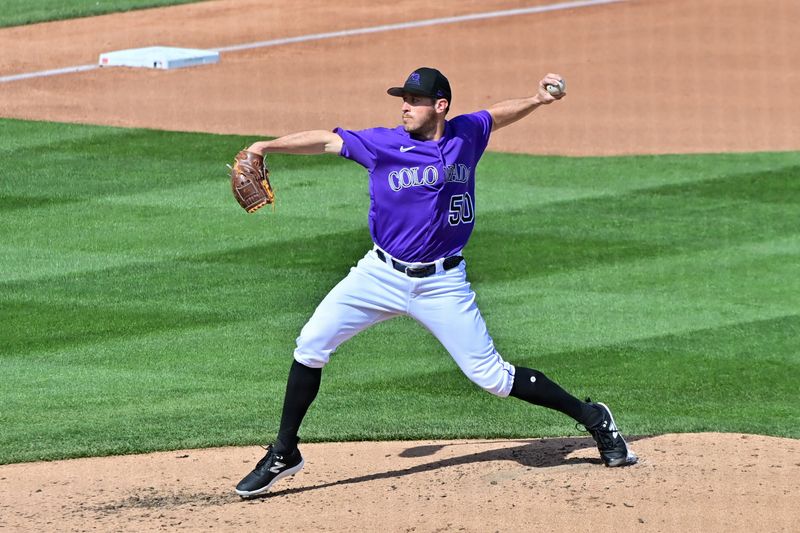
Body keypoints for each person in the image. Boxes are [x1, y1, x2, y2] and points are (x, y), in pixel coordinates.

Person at [235, 67, 638, 498]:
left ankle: (595, 418)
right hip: (379, 275)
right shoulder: (383, 143)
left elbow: (496, 115)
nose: (405, 107)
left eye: (414, 100)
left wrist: (537, 100)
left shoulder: (467, 134)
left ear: (440, 106)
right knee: (311, 344)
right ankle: (284, 451)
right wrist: (265, 145)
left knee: (493, 378)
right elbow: (328, 140)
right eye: (402, 99)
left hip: (443, 284)